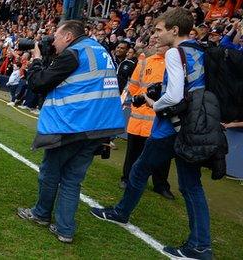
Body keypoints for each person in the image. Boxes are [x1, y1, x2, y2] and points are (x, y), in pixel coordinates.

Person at [91, 8, 214, 259]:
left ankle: (121, 213)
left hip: (170, 127)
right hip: (193, 125)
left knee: (139, 170)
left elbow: (174, 95)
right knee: (191, 185)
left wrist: (152, 102)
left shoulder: (174, 53)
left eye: (159, 30)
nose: (155, 35)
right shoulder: (201, 50)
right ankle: (201, 245)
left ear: (174, 30)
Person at [17, 20, 126, 243]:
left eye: (56, 37)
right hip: (98, 126)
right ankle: (65, 229)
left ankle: (40, 214)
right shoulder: (99, 50)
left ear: (68, 36)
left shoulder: (73, 53)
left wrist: (37, 59)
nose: (53, 42)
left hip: (73, 124)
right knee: (72, 179)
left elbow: (38, 83)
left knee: (50, 172)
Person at [120, 44, 174, 200]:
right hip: (140, 115)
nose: (158, 46)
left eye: (162, 44)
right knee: (133, 151)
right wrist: (139, 100)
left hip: (159, 116)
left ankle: (161, 185)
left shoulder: (174, 63)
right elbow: (133, 85)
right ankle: (126, 178)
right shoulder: (146, 61)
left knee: (162, 154)